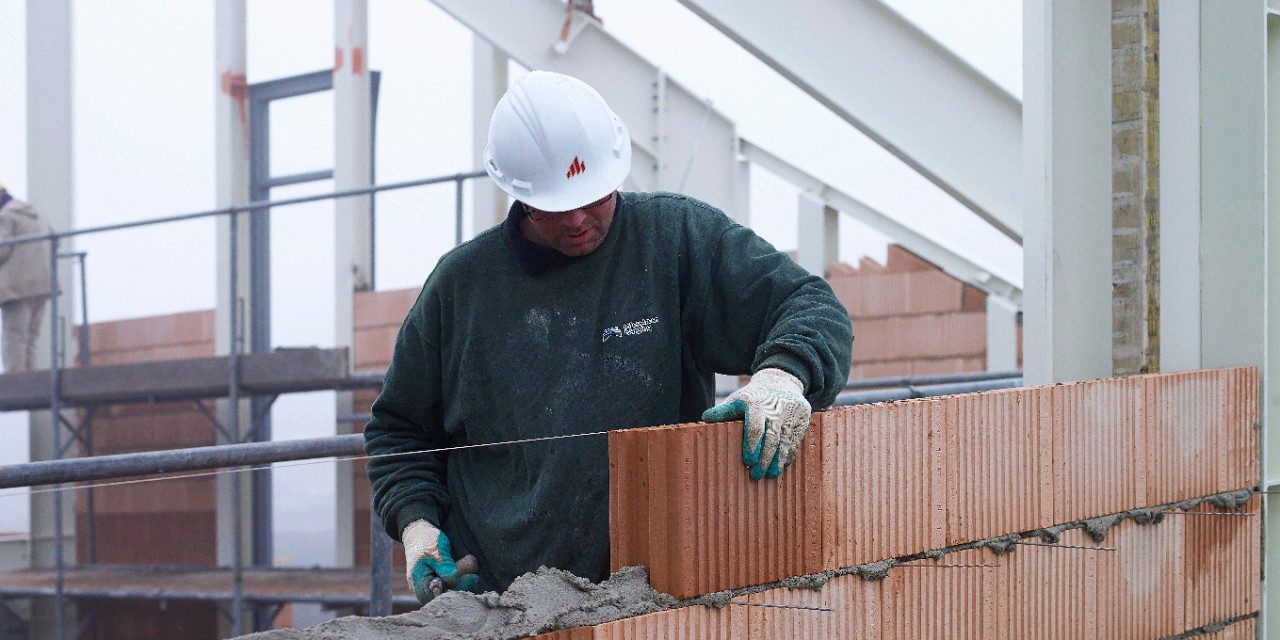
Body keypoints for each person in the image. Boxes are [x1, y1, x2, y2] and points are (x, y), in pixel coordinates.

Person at [364, 71, 853, 604]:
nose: (577, 220)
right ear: (519, 195)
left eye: (593, 197)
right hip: (505, 604)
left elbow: (809, 305)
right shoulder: (462, 287)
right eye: (555, 206)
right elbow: (400, 432)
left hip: (654, 594)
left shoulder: (673, 241)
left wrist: (783, 376)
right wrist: (415, 524)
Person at [0, 182, 52, 373]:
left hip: (16, 289)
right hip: (41, 286)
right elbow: (55, 242)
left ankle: (15, 384)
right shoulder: (35, 215)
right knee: (30, 339)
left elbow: (1, 250)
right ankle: (30, 384)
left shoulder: (5, 216)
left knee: (14, 337)